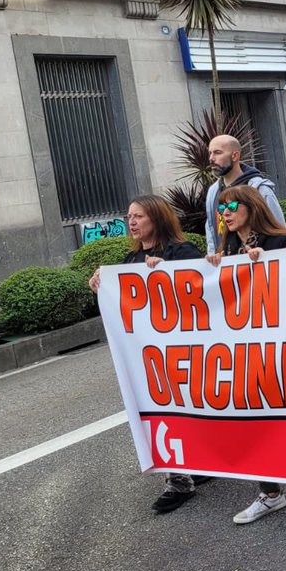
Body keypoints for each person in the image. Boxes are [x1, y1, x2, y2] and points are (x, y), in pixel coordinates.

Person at [89, 194, 204, 514]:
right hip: (150, 356)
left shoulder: (182, 252)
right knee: (162, 411)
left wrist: (166, 271)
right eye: (129, 217)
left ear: (157, 218)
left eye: (139, 216)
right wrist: (102, 283)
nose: (132, 222)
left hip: (186, 349)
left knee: (193, 408)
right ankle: (178, 479)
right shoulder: (129, 261)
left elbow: (203, 290)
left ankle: (199, 464)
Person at [206, 186, 286, 525]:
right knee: (256, 418)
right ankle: (271, 493)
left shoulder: (279, 241)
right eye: (221, 209)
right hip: (248, 351)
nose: (226, 213)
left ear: (251, 206)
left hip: (285, 346)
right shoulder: (227, 248)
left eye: (231, 206)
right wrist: (216, 267)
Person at [204, 135, 284, 253]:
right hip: (228, 264)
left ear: (235, 155)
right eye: (210, 153)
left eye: (217, 153)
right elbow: (212, 231)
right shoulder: (213, 192)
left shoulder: (260, 189)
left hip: (262, 263)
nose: (211, 158)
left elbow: (279, 230)